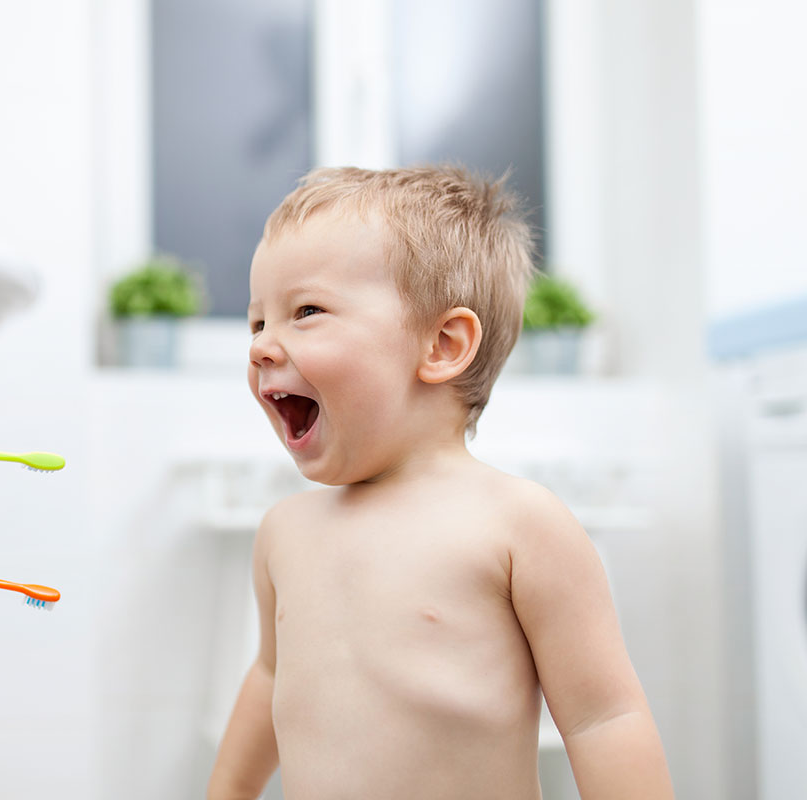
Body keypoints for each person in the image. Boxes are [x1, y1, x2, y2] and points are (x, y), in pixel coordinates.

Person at [206, 166, 674, 799]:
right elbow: (269, 677)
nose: (262, 347)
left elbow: (604, 720)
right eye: (258, 323)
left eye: (306, 311)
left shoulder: (518, 526)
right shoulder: (284, 532)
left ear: (443, 344)